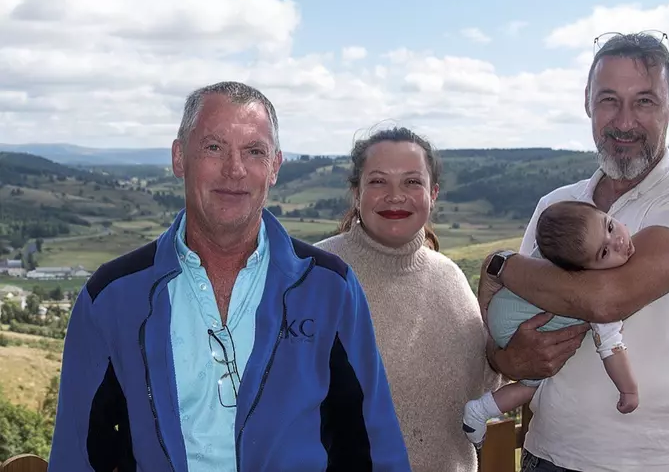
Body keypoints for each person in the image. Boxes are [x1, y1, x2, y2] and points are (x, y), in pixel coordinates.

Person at [47, 81, 411, 472]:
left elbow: (375, 448)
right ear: (178, 157)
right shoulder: (111, 297)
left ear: (274, 166)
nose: (234, 170)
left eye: (254, 151)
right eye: (213, 147)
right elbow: (77, 455)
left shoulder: (329, 288)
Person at [478, 32, 669, 472]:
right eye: (609, 100)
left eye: (645, 102)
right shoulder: (554, 207)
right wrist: (506, 356)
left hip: (653, 460)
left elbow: (606, 299)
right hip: (546, 452)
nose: (624, 121)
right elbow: (504, 317)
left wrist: (500, 264)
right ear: (588, 103)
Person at [315, 126, 504, 472]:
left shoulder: (452, 279)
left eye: (412, 182)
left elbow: (484, 385)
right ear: (356, 193)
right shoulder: (315, 275)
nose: (395, 195)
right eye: (378, 182)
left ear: (433, 194)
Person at [462, 200, 639, 448]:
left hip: (505, 304)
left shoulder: (562, 249)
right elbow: (611, 349)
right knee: (532, 385)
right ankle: (479, 411)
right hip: (514, 325)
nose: (618, 242)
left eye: (610, 227)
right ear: (582, 270)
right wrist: (628, 390)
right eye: (604, 253)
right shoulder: (592, 292)